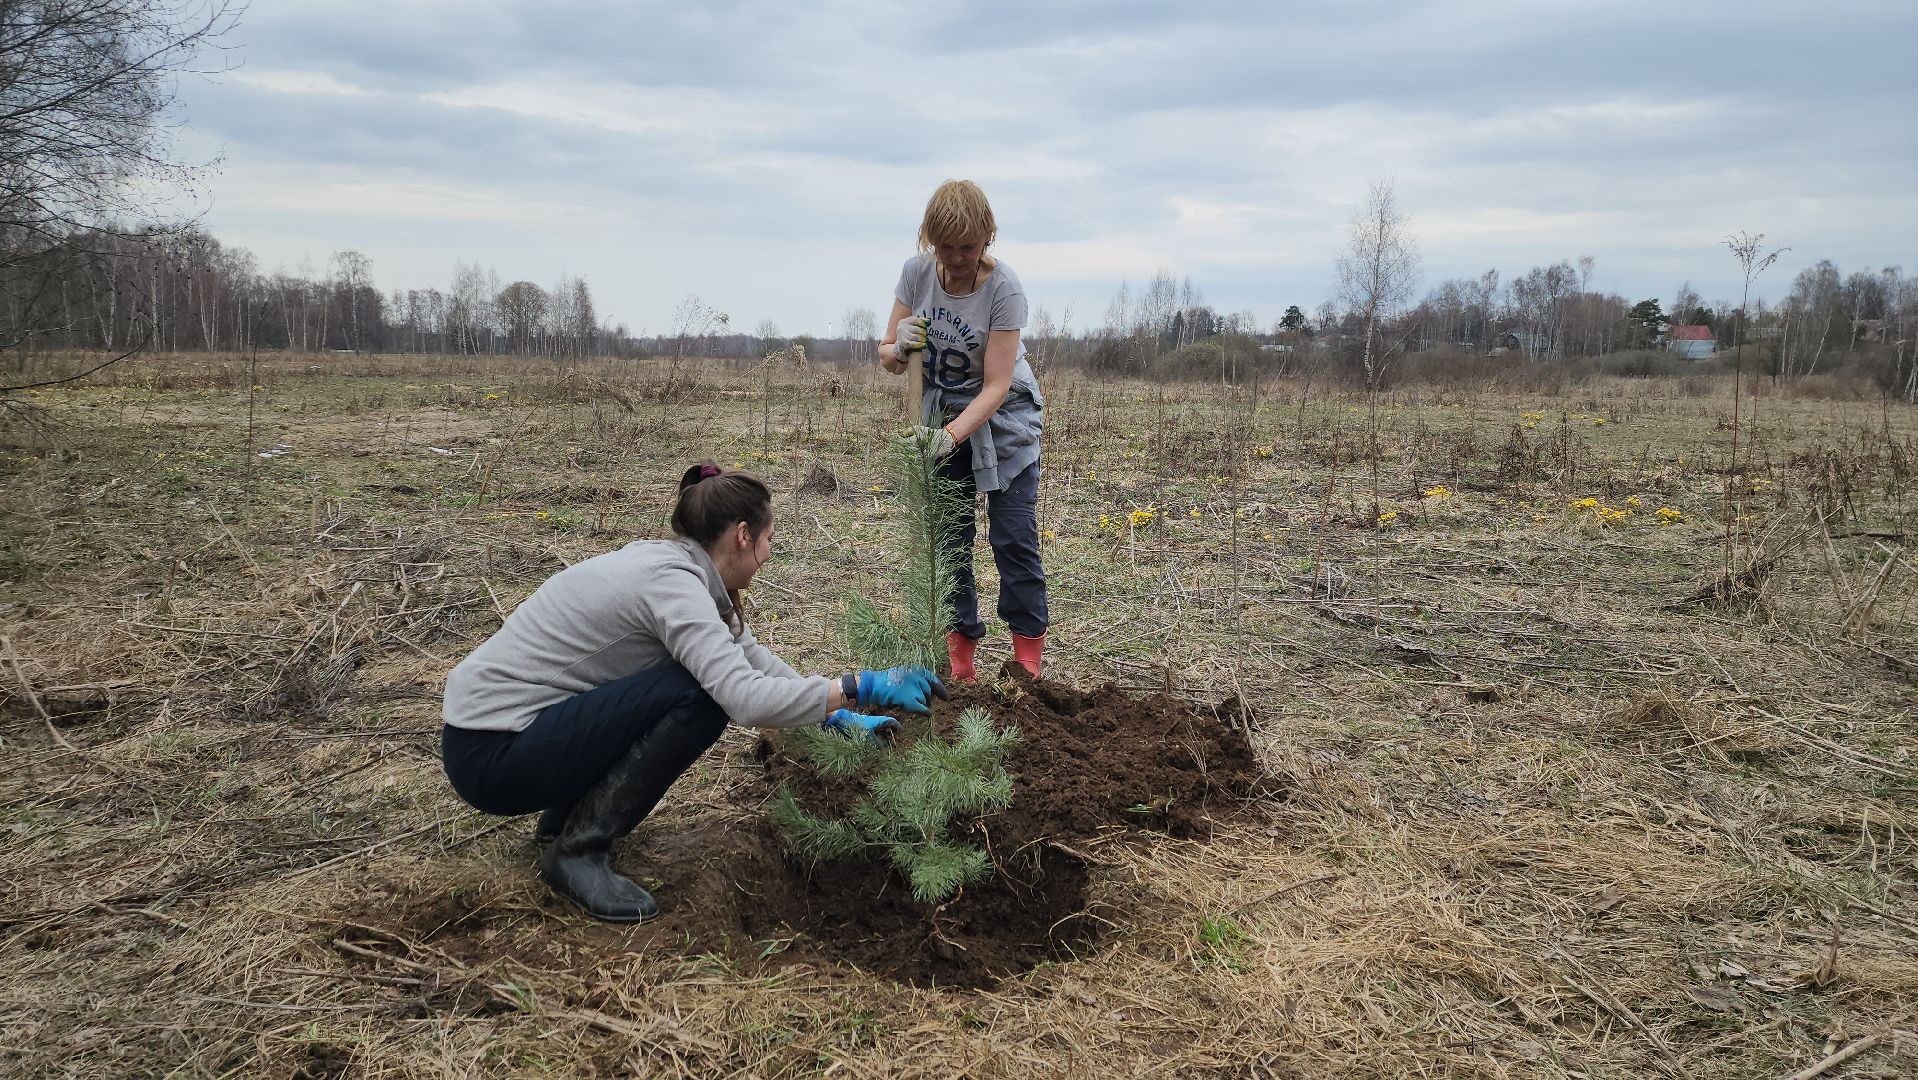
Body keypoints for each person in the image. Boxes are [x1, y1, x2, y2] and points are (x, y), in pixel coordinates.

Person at [440, 463, 946, 922]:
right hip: (492, 753)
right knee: (701, 695)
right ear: (743, 536)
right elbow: (743, 698)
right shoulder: (672, 587)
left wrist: (832, 714)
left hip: (515, 733)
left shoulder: (684, 570)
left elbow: (752, 659)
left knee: (694, 684)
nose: (769, 557)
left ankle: (565, 820)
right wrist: (858, 686)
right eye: (769, 541)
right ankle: (577, 850)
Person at [879, 179, 1049, 682]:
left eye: (968, 247)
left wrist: (949, 437)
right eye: (945, 247)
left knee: (1012, 537)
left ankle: (1026, 661)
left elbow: (996, 386)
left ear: (988, 237)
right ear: (929, 241)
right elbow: (888, 356)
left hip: (1004, 423)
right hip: (940, 412)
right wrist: (897, 346)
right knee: (949, 541)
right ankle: (960, 658)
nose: (956, 258)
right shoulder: (915, 276)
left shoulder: (1004, 289)